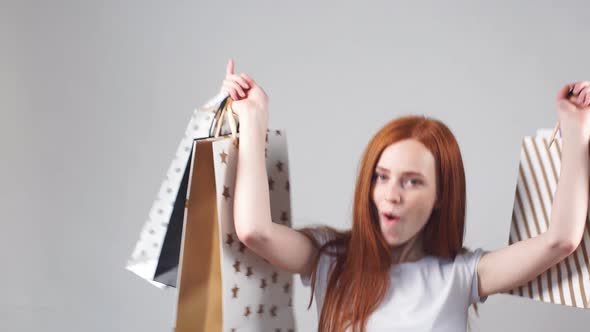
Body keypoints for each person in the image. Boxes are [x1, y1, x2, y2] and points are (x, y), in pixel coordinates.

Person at [222, 58, 590, 332]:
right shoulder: (329, 259)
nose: (391, 194)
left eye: (412, 182)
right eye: (382, 177)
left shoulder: (459, 275)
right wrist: (254, 118)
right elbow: (255, 230)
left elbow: (561, 240)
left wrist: (576, 129)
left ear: (441, 196)